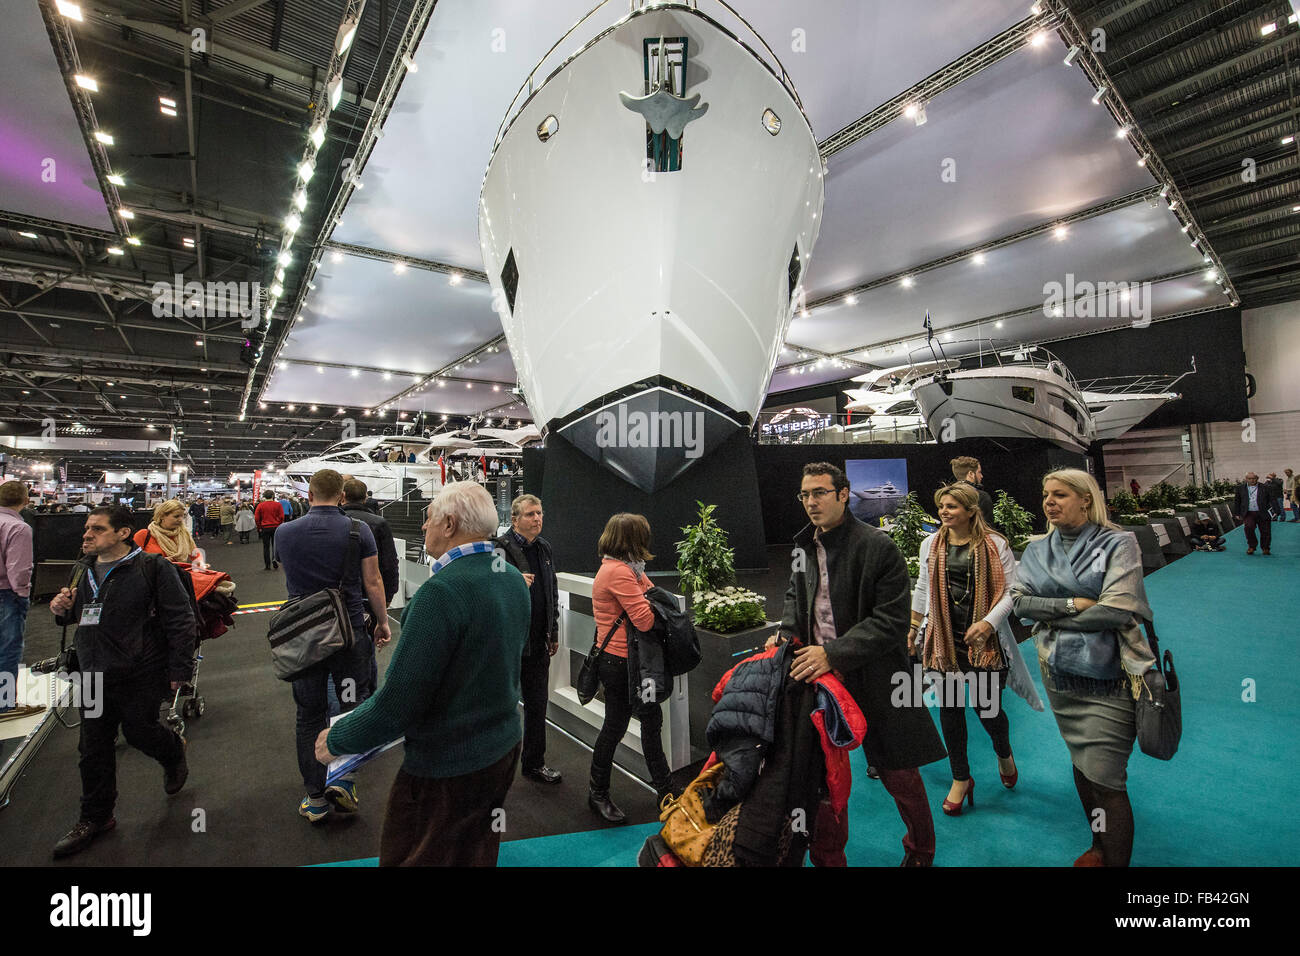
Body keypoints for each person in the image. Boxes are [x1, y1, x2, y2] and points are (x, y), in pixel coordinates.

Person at [314, 482, 530, 865]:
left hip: (446, 766)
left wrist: (338, 739)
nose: (424, 527)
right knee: (475, 850)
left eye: (427, 519)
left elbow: (397, 704)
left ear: (449, 524)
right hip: (502, 747)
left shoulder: (440, 594)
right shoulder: (512, 578)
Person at [768, 462, 946, 866]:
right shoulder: (803, 546)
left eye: (819, 493)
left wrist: (832, 653)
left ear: (843, 494)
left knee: (899, 774)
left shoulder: (877, 546)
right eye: (805, 495)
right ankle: (829, 856)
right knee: (824, 780)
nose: (811, 502)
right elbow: (796, 599)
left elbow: (891, 622)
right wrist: (786, 632)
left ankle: (921, 851)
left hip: (877, 676)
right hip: (820, 679)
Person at [1011, 469, 1156, 867]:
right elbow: (1020, 603)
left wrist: (1050, 615)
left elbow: (1115, 609)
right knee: (1081, 764)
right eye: (1045, 495)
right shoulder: (1038, 547)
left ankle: (1114, 861)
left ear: (1086, 499)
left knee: (1107, 778)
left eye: (1059, 494)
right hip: (1059, 675)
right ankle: (1097, 845)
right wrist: (1075, 605)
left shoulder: (1118, 542)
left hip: (1110, 677)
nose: (1048, 502)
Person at [47, 505, 196, 858]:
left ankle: (172, 751)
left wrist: (180, 670)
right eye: (87, 528)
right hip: (92, 671)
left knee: (140, 732)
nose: (86, 534)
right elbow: (78, 611)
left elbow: (180, 620)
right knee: (92, 749)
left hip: (139, 671)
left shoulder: (153, 568)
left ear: (123, 533)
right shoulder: (81, 569)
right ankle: (95, 817)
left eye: (97, 529)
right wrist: (61, 608)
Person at [910, 483, 1042, 817]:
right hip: (944, 643)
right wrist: (913, 628)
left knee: (987, 710)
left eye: (952, 506)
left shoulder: (996, 545)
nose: (944, 511)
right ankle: (960, 778)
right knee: (951, 709)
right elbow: (923, 587)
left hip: (985, 644)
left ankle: (1003, 751)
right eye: (941, 506)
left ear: (971, 511)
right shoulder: (930, 544)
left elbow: (1013, 592)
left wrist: (987, 623)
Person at [275, 469, 391, 824]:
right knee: (349, 707)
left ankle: (315, 798)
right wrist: (383, 622)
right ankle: (343, 780)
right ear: (343, 497)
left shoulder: (284, 532)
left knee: (308, 714)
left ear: (308, 495)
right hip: (350, 634)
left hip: (304, 637)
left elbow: (289, 576)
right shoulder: (359, 530)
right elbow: (373, 582)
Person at [588, 513, 671, 822]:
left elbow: (650, 596)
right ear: (633, 540)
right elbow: (647, 618)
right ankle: (597, 794)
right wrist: (648, 603)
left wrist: (646, 599)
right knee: (617, 727)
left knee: (649, 723)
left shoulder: (623, 569)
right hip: (621, 665)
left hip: (629, 664)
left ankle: (665, 790)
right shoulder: (620, 573)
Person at [493, 494, 561, 785]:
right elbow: (490, 589)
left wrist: (553, 631)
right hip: (508, 643)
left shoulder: (544, 548)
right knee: (500, 707)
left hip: (538, 643)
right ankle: (494, 767)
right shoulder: (499, 548)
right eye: (531, 514)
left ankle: (534, 763)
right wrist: (512, 580)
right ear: (515, 519)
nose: (537, 518)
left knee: (537, 705)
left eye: (540, 513)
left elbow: (551, 591)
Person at [341, 479, 399, 697]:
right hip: (369, 601)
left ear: (343, 495)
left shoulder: (337, 522)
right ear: (366, 497)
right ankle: (367, 698)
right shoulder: (378, 523)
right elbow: (389, 566)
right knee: (367, 654)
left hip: (335, 602)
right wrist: (386, 603)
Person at [0, 481, 41, 720]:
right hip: (7, 593)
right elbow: (19, 569)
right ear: (26, 500)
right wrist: (23, 594)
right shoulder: (18, 527)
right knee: (8, 649)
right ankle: (5, 705)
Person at [133, 499, 202, 564]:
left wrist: (202, 568)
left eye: (182, 516)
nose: (180, 520)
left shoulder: (184, 534)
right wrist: (157, 561)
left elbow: (196, 557)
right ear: (162, 516)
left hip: (177, 575)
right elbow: (132, 560)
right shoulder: (143, 535)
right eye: (176, 516)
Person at [1233, 472, 1276, 556]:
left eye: (1254, 478)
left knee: (1265, 531)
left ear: (1257, 478)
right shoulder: (1240, 488)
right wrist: (1237, 513)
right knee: (1248, 527)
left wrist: (1277, 511)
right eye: (1249, 478)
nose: (1252, 480)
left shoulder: (1265, 487)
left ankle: (1265, 548)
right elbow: (1237, 501)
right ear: (1246, 479)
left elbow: (1272, 499)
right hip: (1248, 513)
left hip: (1263, 512)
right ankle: (1252, 546)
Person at [950, 455, 995, 527]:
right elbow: (988, 528)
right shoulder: (981, 496)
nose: (981, 476)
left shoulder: (947, 496)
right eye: (979, 472)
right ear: (971, 474)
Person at [254, 489, 285, 570]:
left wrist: (259, 527)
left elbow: (257, 518)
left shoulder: (260, 505)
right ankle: (274, 560)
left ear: (264, 496)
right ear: (273, 496)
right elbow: (282, 516)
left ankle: (267, 565)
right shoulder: (278, 505)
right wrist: (279, 524)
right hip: (276, 527)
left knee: (266, 547)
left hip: (265, 528)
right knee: (275, 546)